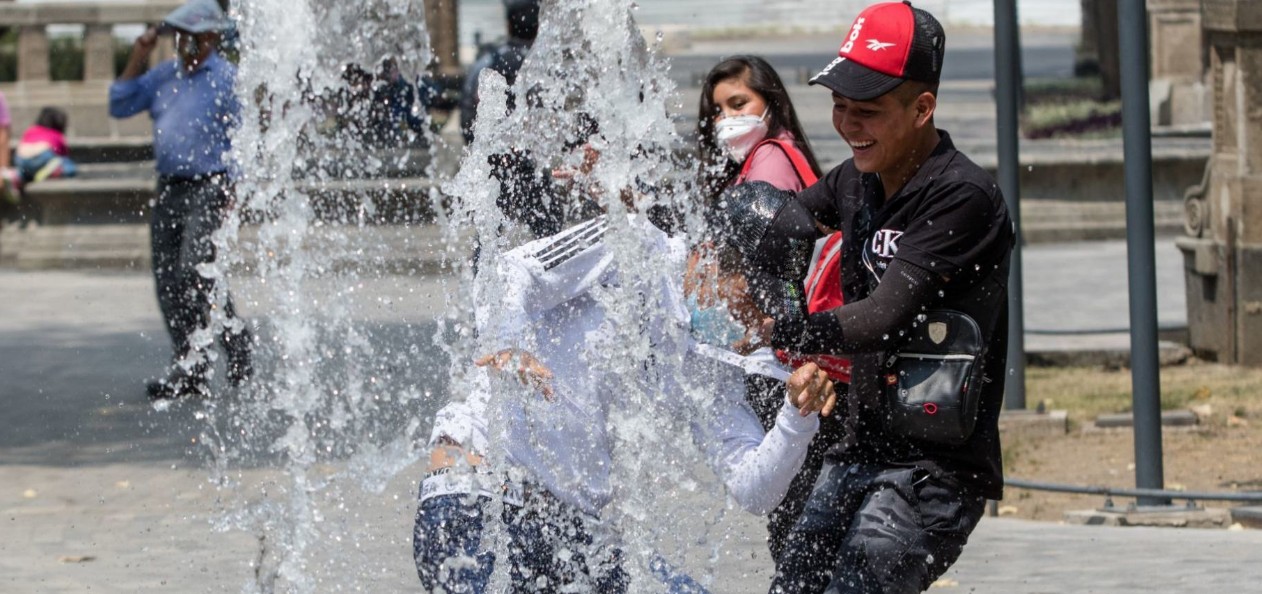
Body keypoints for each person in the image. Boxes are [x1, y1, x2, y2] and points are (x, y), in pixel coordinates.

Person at [412, 210, 838, 592]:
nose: (759, 323)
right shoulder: (631, 243)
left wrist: (797, 417)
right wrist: (508, 343)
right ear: (707, 255)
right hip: (478, 501)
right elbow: (511, 271)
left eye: (770, 310)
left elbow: (754, 491)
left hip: (568, 531)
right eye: (752, 300)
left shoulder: (715, 362)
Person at [747, 3, 1016, 592]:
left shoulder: (962, 197)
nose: (848, 125)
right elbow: (788, 220)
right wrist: (755, 265)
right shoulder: (857, 179)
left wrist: (786, 331)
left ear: (923, 108)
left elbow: (883, 317)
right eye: (839, 106)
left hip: (934, 470)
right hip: (857, 445)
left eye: (867, 110)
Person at [695, 55, 848, 564]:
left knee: (795, 516)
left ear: (770, 104)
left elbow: (772, 266)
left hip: (787, 356)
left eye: (739, 103)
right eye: (717, 110)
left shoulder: (769, 164)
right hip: (799, 350)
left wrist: (756, 327)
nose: (725, 119)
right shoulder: (781, 156)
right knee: (800, 512)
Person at [109, 0, 253, 400]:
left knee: (195, 270)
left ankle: (235, 344)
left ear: (209, 37)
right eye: (178, 36)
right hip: (171, 186)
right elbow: (119, 104)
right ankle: (189, 365)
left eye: (191, 36)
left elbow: (242, 140)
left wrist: (235, 191)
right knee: (168, 278)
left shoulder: (226, 78)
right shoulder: (162, 76)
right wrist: (137, 56)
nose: (183, 43)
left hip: (211, 185)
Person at [13, 107, 79, 186]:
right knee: (68, 164)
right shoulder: (55, 134)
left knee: (26, 169)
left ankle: (19, 176)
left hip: (21, 159)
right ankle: (52, 171)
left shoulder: (31, 130)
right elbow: (63, 152)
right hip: (42, 156)